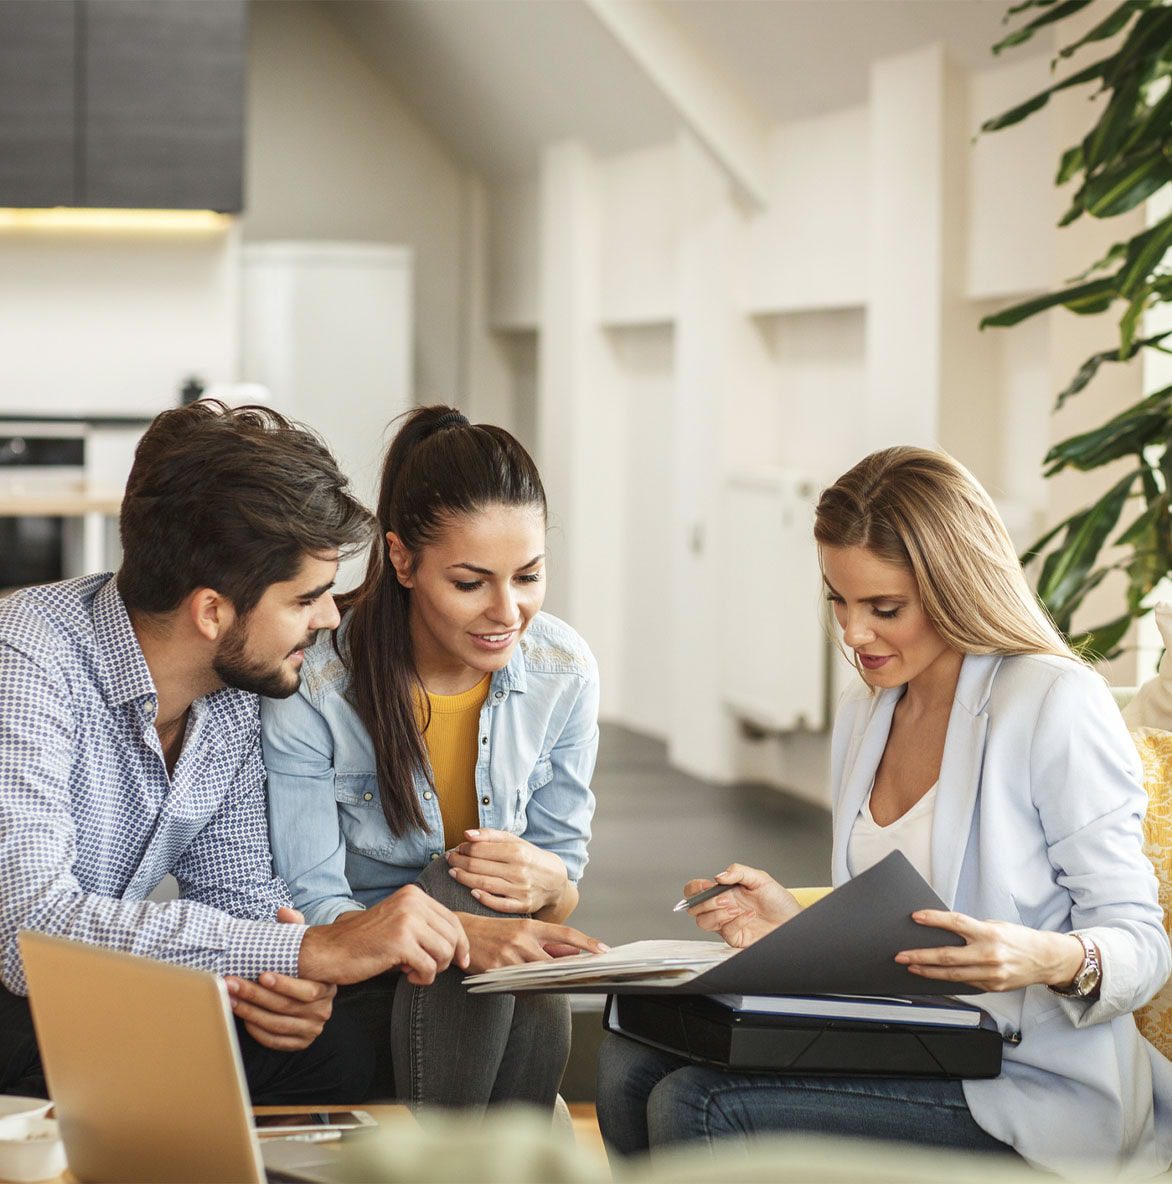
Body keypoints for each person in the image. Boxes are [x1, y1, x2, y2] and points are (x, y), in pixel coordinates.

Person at [597, 447, 1172, 1177]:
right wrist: (792, 923)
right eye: (838, 599)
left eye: (884, 608)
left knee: (701, 1104)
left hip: (1027, 1084)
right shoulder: (867, 712)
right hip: (909, 1044)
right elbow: (904, 924)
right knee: (627, 1063)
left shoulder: (1053, 703)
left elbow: (1142, 947)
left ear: (956, 588)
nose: (853, 634)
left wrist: (1046, 957)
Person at [0, 401, 471, 1104]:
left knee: (335, 1045)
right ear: (213, 611)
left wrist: (283, 985)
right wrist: (308, 950)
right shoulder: (27, 655)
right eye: (306, 598)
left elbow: (240, 892)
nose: (329, 618)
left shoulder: (233, 695)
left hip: (83, 994)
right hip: (17, 989)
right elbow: (28, 931)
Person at [262, 405, 605, 1111]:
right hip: (366, 976)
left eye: (529, 576)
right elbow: (313, 904)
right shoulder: (319, 684)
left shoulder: (563, 670)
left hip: (495, 976)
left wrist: (546, 884)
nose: (507, 611)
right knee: (457, 888)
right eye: (471, 582)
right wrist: (460, 931)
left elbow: (560, 887)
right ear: (402, 559)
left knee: (510, 931)